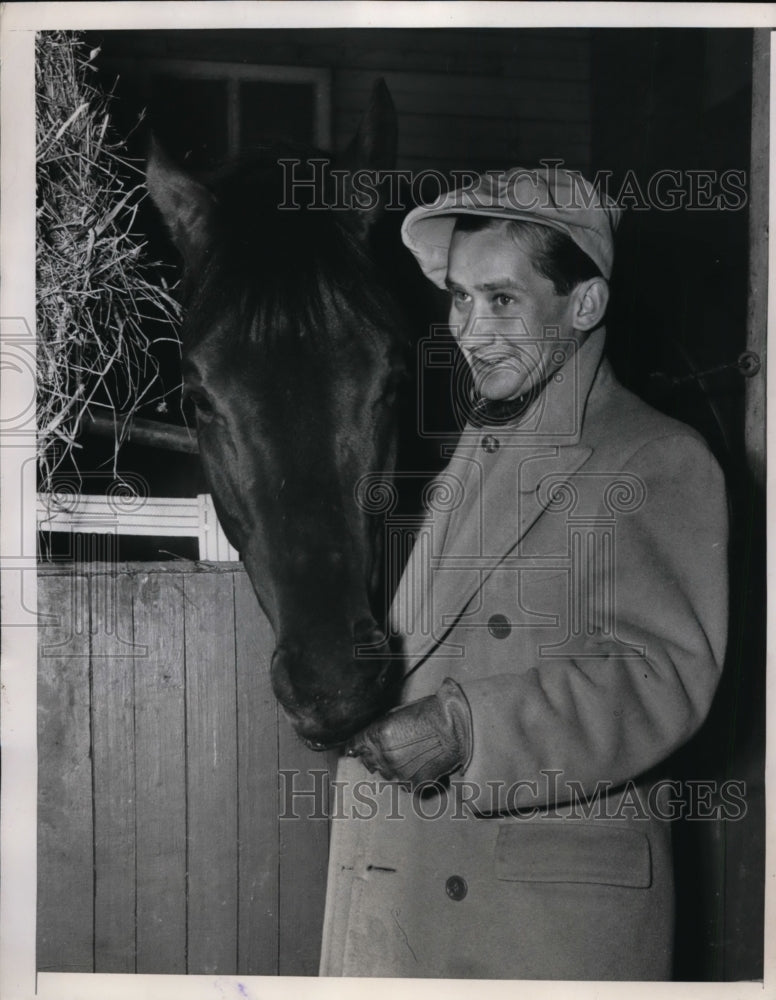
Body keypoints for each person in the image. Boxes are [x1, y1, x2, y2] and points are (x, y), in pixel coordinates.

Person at [319, 166, 729, 980]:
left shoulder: (654, 456)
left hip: (534, 923)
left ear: (584, 306)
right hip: (411, 885)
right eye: (461, 298)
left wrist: (470, 728)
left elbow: (662, 674)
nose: (471, 330)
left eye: (502, 299)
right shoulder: (474, 452)